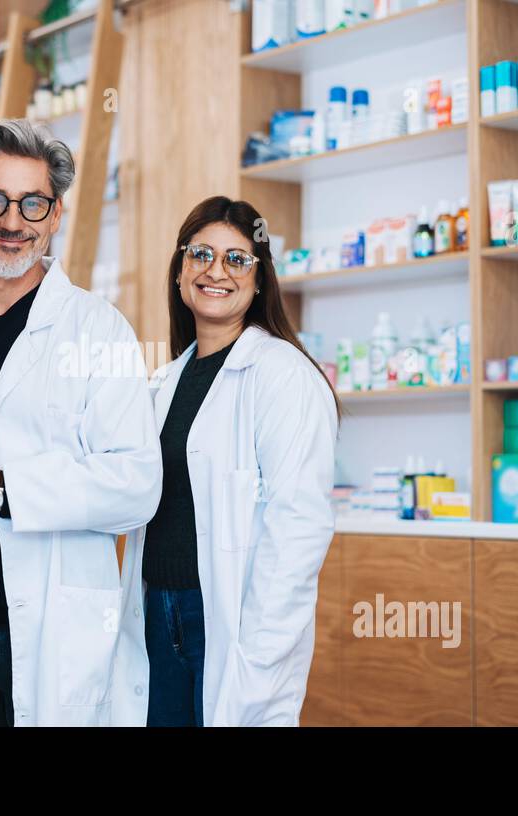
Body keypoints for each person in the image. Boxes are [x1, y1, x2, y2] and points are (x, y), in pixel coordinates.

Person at [0, 119, 162, 726]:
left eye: (32, 203)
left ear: (55, 214)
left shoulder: (100, 330)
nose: (12, 222)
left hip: (45, 629)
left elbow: (136, 485)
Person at [110, 195, 339, 727]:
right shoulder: (164, 382)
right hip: (154, 610)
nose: (216, 271)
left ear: (260, 280)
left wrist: (260, 653)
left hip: (226, 620)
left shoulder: (283, 375)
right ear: (180, 271)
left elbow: (298, 527)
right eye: (201, 254)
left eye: (237, 259)